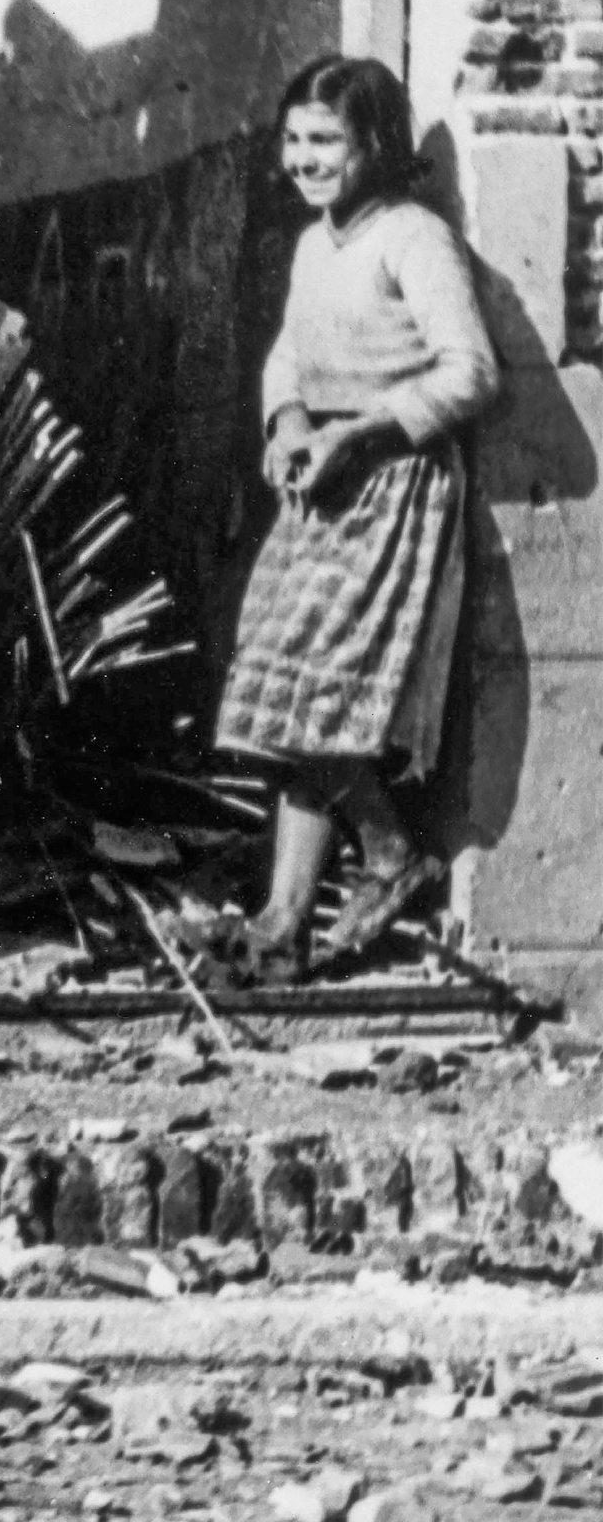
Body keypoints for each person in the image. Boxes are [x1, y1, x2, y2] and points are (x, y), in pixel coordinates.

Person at [217, 55, 500, 982]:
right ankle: (288, 918)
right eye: (294, 140)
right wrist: (292, 422)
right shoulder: (314, 245)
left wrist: (362, 435)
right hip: (324, 483)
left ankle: (373, 864)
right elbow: (288, 355)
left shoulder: (412, 238)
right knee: (281, 684)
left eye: (326, 141)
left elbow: (471, 373)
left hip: (394, 485)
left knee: (313, 694)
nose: (305, 159)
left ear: (373, 143)